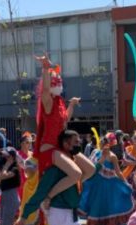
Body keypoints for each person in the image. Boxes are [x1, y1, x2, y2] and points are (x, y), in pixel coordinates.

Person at [15, 130, 93, 225]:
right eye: (75, 142)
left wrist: (72, 150)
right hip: (59, 212)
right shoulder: (54, 169)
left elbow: (90, 169)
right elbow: (39, 193)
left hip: (72, 214)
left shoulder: (73, 164)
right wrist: (24, 216)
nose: (79, 144)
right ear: (65, 143)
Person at [32, 55, 95, 208]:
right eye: (56, 79)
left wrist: (72, 104)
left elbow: (65, 119)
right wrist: (46, 69)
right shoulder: (47, 102)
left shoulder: (60, 102)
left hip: (62, 146)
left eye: (59, 79)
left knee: (91, 169)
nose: (59, 81)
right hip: (50, 148)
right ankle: (48, 197)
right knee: (76, 173)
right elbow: (46, 89)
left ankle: (65, 189)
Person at [79, 133, 134, 225]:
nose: (103, 143)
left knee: (108, 206)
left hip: (110, 185)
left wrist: (125, 183)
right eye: (102, 141)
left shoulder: (112, 156)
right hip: (98, 184)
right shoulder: (95, 152)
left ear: (110, 144)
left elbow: (118, 172)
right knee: (99, 206)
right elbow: (91, 168)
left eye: (105, 142)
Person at [16, 133, 56, 225]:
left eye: (31, 142)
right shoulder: (32, 159)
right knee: (36, 213)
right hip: (32, 189)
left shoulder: (33, 158)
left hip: (37, 189)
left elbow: (31, 174)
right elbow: (29, 174)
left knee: (40, 213)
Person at [0, 150, 25, 225]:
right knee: (6, 224)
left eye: (6, 155)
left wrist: (7, 164)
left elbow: (3, 176)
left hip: (11, 198)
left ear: (12, 157)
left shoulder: (14, 168)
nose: (4, 156)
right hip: (7, 197)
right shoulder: (10, 167)